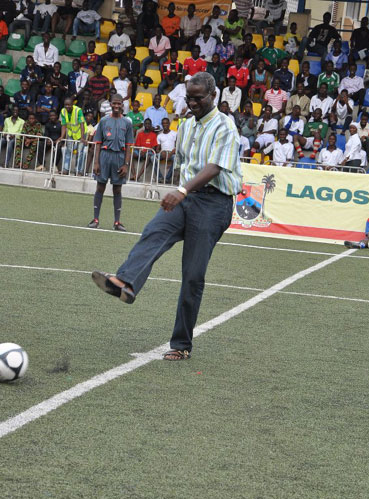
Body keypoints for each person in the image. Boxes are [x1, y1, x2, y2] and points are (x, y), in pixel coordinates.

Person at [91, 72, 241, 361]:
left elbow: (214, 168)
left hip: (214, 204)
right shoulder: (184, 126)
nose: (193, 103)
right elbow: (184, 165)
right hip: (188, 198)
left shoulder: (225, 126)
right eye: (189, 98)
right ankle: (126, 282)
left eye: (198, 98)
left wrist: (182, 190)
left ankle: (181, 344)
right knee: (154, 231)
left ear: (213, 96)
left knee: (193, 275)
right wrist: (181, 191)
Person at [88, 93, 133, 231]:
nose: (116, 106)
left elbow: (129, 145)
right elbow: (97, 143)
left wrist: (126, 164)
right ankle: (95, 219)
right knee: (100, 187)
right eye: (114, 103)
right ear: (110, 104)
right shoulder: (104, 121)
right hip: (105, 156)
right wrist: (96, 162)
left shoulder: (127, 122)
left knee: (117, 189)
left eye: (119, 103)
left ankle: (117, 222)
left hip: (119, 157)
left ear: (122, 105)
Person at [60, 95, 85, 174]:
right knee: (68, 151)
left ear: (72, 104)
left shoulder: (78, 110)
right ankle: (66, 169)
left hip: (81, 133)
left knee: (80, 152)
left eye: (69, 104)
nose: (67, 106)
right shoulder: (63, 111)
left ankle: (78, 171)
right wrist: (61, 137)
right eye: (65, 105)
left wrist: (83, 137)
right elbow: (63, 125)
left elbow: (81, 124)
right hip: (71, 133)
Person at [155, 116, 176, 182]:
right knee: (153, 158)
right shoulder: (159, 135)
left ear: (169, 124)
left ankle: (167, 178)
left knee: (176, 159)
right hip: (163, 153)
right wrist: (161, 152)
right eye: (163, 123)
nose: (165, 125)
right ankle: (160, 177)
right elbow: (157, 149)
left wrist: (170, 153)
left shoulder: (174, 133)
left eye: (166, 123)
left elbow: (177, 146)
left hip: (172, 153)